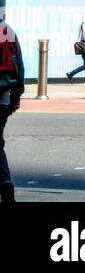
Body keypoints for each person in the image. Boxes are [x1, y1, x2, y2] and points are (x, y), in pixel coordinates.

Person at [0, 20, 24, 203]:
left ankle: (3, 181)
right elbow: (19, 68)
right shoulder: (7, 31)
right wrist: (16, 96)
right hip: (3, 98)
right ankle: (4, 182)